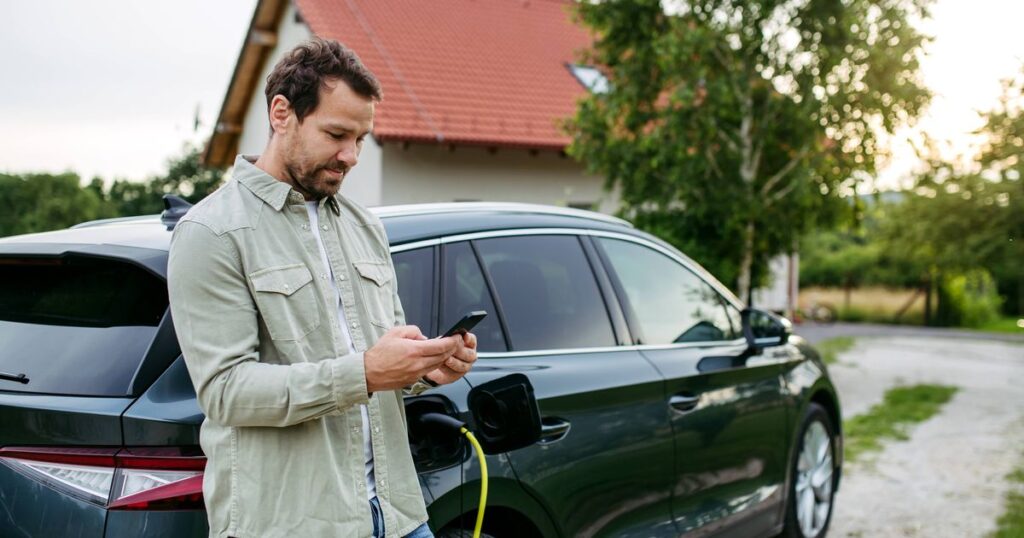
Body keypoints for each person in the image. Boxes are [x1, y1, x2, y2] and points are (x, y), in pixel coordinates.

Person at [167, 37, 477, 538]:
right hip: (293, 524)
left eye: (361, 138)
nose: (351, 155)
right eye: (336, 134)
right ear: (281, 113)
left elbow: (377, 361)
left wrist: (425, 368)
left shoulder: (364, 224)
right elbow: (226, 392)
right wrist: (366, 373)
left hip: (397, 515)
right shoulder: (210, 233)